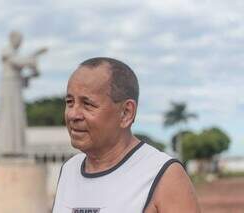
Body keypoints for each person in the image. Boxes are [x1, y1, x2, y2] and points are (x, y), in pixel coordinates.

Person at [52, 57, 200, 213]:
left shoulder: (164, 175)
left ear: (126, 113)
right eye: (70, 102)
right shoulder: (69, 170)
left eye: (87, 104)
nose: (73, 114)